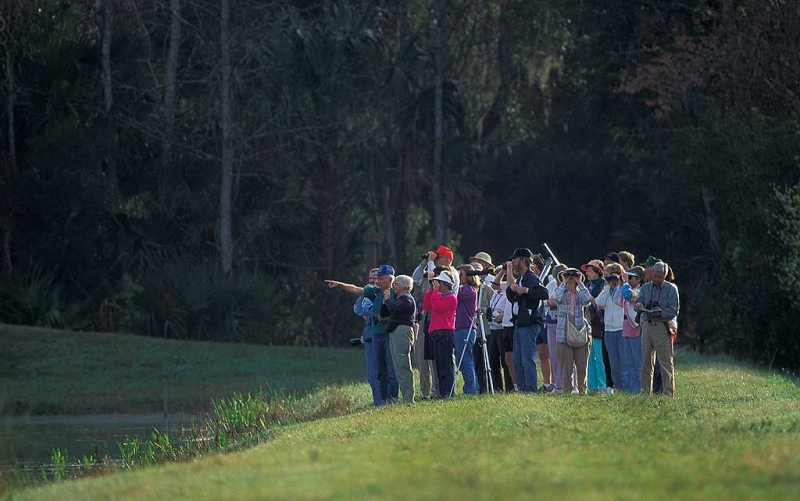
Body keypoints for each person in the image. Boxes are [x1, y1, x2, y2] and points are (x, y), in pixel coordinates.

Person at [325, 264, 399, 404]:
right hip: (376, 334)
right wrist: (340, 285)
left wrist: (387, 314)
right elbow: (355, 289)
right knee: (380, 371)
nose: (377, 281)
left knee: (391, 370)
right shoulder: (374, 291)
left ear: (390, 280)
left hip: (389, 334)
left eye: (381, 279)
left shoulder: (396, 293)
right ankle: (382, 402)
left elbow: (402, 311)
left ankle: (392, 399)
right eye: (377, 279)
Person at [505, 248, 549, 393]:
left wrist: (525, 290)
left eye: (516, 260)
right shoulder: (522, 278)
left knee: (526, 359)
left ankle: (530, 389)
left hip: (529, 324)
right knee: (517, 360)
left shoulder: (531, 278)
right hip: (520, 323)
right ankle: (523, 388)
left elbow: (543, 293)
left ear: (524, 260)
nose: (513, 262)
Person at [635, 261, 680, 397]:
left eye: (660, 277)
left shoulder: (671, 289)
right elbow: (638, 301)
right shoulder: (645, 287)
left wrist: (660, 313)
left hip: (661, 326)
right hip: (646, 325)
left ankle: (668, 393)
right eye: (655, 276)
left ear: (665, 276)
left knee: (665, 362)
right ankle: (645, 391)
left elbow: (674, 310)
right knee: (646, 362)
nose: (656, 279)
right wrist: (638, 305)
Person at [548, 267, 593, 394]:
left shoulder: (580, 293)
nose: (571, 278)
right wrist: (564, 282)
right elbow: (554, 300)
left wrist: (580, 282)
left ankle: (582, 390)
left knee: (582, 364)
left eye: (573, 275)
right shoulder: (561, 293)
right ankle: (567, 390)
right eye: (568, 275)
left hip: (580, 331)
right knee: (566, 366)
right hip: (563, 332)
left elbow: (588, 300)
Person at [380, 275, 417, 403]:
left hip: (402, 331)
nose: (393, 286)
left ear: (405, 286)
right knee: (397, 365)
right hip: (395, 332)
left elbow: (395, 308)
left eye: (396, 284)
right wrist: (386, 302)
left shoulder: (406, 299)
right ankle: (405, 397)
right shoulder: (398, 299)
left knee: (402, 364)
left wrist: (388, 300)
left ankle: (409, 398)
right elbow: (384, 313)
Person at [423, 270, 458, 398]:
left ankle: (448, 393)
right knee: (439, 365)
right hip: (436, 332)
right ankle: (443, 393)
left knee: (446, 365)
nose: (437, 284)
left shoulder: (451, 297)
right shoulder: (438, 295)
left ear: (446, 284)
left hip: (446, 332)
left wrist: (435, 292)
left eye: (439, 283)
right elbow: (427, 305)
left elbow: (437, 306)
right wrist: (431, 289)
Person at [594, 263, 626, 394]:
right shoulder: (606, 290)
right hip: (608, 329)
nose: (611, 280)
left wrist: (619, 284)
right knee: (613, 364)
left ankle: (626, 388)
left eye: (613, 277)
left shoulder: (624, 289)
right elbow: (598, 303)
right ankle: (616, 388)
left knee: (623, 361)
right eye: (608, 277)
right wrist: (607, 287)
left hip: (621, 328)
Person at [353, 268, 382, 406]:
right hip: (368, 336)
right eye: (371, 278)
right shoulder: (367, 295)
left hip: (379, 335)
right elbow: (358, 310)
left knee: (380, 372)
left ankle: (384, 401)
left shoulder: (382, 294)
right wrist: (361, 294)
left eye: (376, 278)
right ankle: (377, 402)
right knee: (371, 375)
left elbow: (370, 312)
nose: (373, 281)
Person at [581, 259, 608, 394]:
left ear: (598, 271)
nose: (587, 273)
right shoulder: (589, 285)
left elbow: (598, 303)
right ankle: (592, 386)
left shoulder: (602, 285)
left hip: (599, 324)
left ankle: (602, 386)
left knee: (599, 357)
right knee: (591, 358)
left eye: (590, 271)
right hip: (591, 324)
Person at [454, 264, 479, 395]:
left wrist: (453, 279)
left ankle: (471, 389)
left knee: (465, 359)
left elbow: (455, 292)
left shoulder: (470, 290)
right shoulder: (464, 289)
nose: (459, 277)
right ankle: (472, 386)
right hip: (459, 328)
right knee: (461, 360)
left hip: (466, 328)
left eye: (461, 275)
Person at [620, 265, 644, 393]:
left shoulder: (639, 290)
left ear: (639, 279)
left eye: (631, 277)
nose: (628, 280)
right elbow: (616, 299)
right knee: (629, 363)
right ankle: (631, 389)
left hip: (636, 328)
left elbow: (628, 295)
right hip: (626, 327)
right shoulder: (628, 288)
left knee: (638, 362)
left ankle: (640, 388)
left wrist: (624, 283)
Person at [487, 278, 513, 392]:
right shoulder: (496, 294)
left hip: (503, 329)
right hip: (493, 329)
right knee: (493, 360)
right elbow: (494, 284)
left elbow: (509, 309)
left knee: (505, 361)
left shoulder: (508, 294)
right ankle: (497, 388)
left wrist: (502, 316)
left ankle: (510, 388)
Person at [546, 264, 568, 391]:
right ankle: (558, 384)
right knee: (554, 355)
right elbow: (549, 301)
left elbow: (556, 301)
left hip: (564, 322)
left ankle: (569, 384)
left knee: (567, 355)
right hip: (552, 321)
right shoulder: (551, 285)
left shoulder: (569, 285)